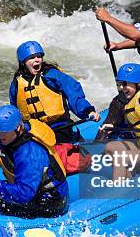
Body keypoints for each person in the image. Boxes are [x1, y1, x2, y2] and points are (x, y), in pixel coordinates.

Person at [0, 101, 68, 218]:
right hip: (35, 190)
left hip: (51, 201)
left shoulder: (29, 154)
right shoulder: (10, 133)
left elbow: (25, 193)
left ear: (18, 128)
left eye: (4, 132)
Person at [10, 40, 100, 174]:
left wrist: (88, 111)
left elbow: (74, 95)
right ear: (23, 62)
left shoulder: (52, 75)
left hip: (60, 127)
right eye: (31, 58)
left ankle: (81, 156)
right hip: (36, 132)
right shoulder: (16, 84)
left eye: (39, 56)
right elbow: (15, 111)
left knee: (60, 160)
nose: (36, 60)